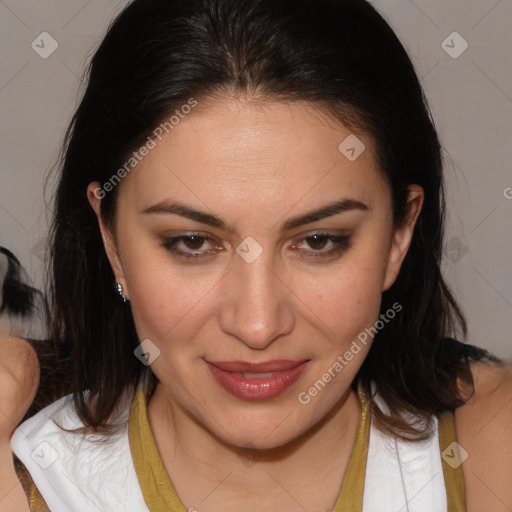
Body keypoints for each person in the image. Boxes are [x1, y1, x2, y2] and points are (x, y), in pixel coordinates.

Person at [1, 0, 511, 510]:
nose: (258, 325)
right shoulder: (26, 482)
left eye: (318, 241)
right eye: (192, 243)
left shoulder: (487, 447)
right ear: (111, 240)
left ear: (399, 235)